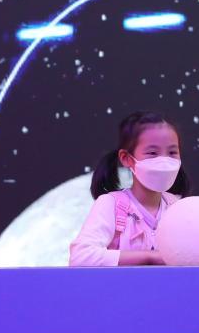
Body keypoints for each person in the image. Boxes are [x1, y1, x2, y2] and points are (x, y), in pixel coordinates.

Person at [69, 111, 191, 266]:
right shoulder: (111, 204)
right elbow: (80, 257)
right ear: (127, 159)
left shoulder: (180, 208)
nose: (164, 160)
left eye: (172, 152)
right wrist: (149, 257)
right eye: (152, 153)